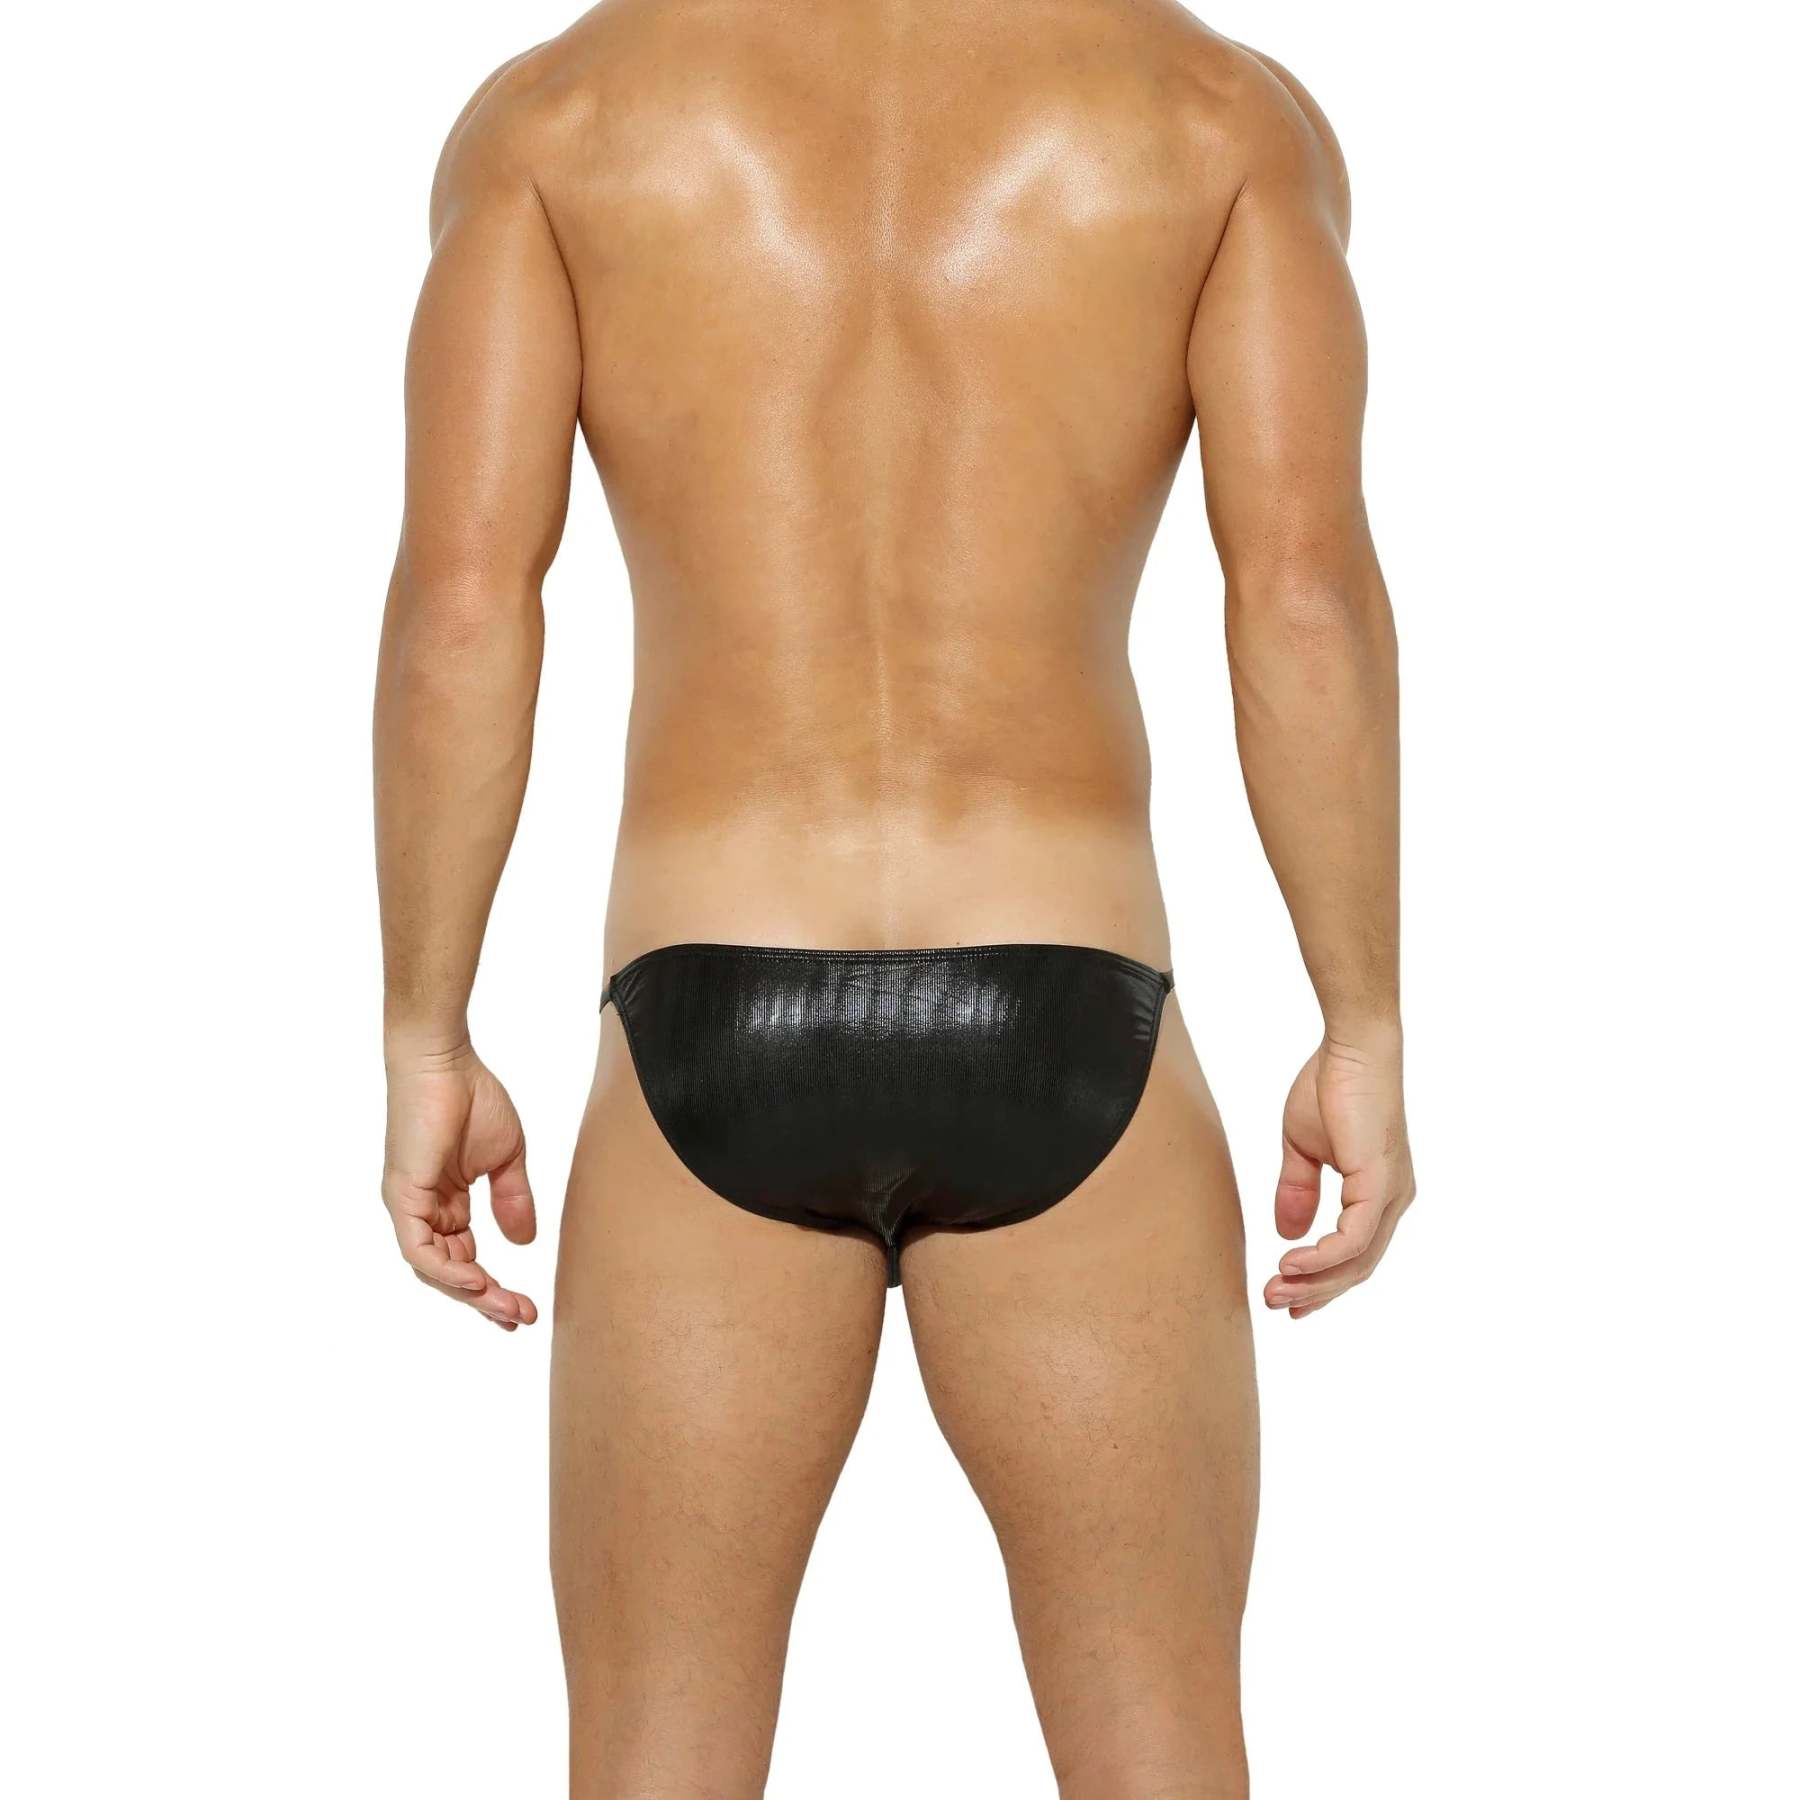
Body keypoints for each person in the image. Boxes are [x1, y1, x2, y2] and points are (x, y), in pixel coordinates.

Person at [373, 0, 1415, 1792]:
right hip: (1067, 996)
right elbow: (1300, 593)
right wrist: (1363, 1021)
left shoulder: (561, 117)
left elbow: (466, 603)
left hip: (713, 994)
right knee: (1162, 1747)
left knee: (654, 1755)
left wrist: (425, 1029)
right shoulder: (1212, 114)